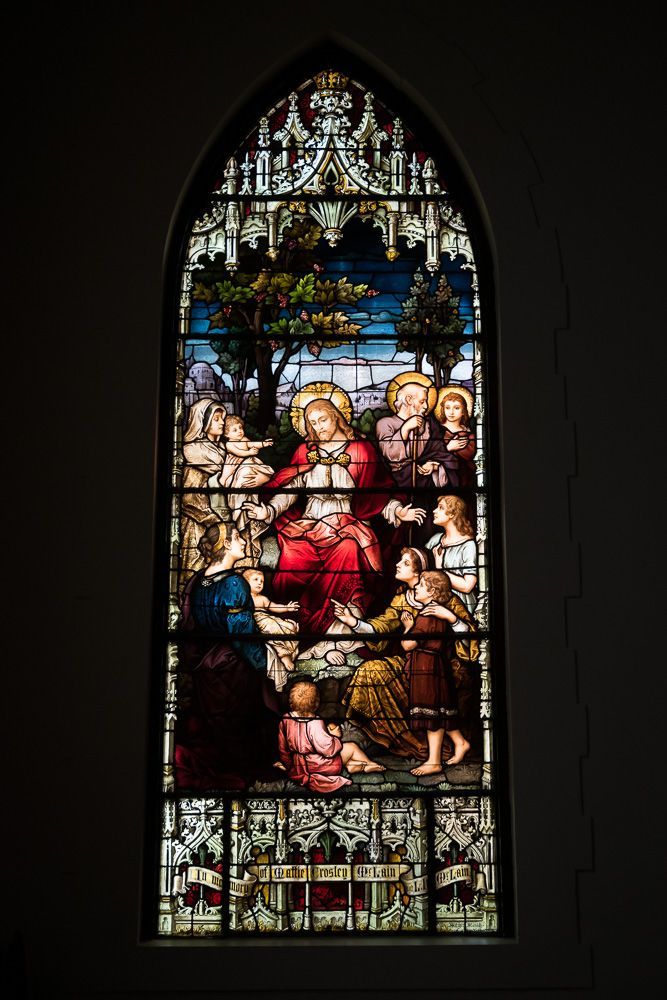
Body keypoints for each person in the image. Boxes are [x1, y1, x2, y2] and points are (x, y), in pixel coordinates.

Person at [242, 389, 425, 634]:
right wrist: (270, 510)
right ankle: (297, 625)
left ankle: (341, 629)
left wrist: (397, 510)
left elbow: (375, 493)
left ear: (336, 417)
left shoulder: (361, 450)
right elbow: (292, 487)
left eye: (323, 420)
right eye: (313, 423)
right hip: (309, 523)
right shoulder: (305, 452)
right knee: (291, 560)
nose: (318, 428)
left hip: (348, 523)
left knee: (348, 549)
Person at [336, 547, 476, 757]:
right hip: (413, 663)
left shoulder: (446, 600)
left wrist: (452, 618)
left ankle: (434, 749)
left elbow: (472, 641)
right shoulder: (401, 600)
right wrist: (353, 622)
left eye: (406, 563)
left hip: (443, 668)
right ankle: (399, 740)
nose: (398, 565)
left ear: (420, 574)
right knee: (370, 671)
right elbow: (381, 626)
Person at [175, 522, 279, 790]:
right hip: (233, 665)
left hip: (206, 666)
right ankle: (252, 771)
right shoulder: (234, 583)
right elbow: (241, 635)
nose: (244, 542)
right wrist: (265, 663)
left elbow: (191, 624)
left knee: (219, 727)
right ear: (225, 545)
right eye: (237, 538)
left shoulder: (198, 580)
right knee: (245, 720)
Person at [401, 570, 470, 775]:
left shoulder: (426, 616)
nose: (416, 587)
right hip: (437, 665)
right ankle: (461, 742)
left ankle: (434, 761)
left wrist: (407, 627)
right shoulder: (438, 613)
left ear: (432, 592)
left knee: (432, 714)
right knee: (441, 710)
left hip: (426, 668)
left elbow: (407, 645)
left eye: (421, 584)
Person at [277, 680, 385, 792]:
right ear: (315, 702)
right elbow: (328, 750)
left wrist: (290, 766)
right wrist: (335, 736)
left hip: (299, 767)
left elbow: (283, 749)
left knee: (346, 756)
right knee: (351, 747)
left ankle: (353, 766)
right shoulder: (314, 722)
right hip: (320, 766)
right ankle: (370, 764)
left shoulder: (286, 719)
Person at [376, 373, 459, 489]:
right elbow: (391, 455)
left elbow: (439, 453)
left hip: (427, 483)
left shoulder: (430, 425)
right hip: (397, 483)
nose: (426, 406)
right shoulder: (385, 423)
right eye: (422, 401)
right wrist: (405, 428)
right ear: (409, 400)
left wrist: (434, 465)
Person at [179, 398, 228, 588]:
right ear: (203, 421)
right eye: (217, 418)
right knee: (195, 571)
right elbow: (189, 497)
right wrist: (210, 520)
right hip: (197, 523)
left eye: (222, 418)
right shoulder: (192, 451)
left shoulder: (223, 450)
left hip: (220, 519)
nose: (222, 422)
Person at [219, 415, 274, 562]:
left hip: (247, 467)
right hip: (235, 472)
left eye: (240, 428)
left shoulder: (244, 440)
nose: (239, 431)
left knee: (250, 479)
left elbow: (253, 444)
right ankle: (238, 511)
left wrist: (263, 443)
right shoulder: (229, 445)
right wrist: (248, 453)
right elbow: (240, 453)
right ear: (226, 434)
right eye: (234, 430)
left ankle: (245, 511)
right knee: (238, 487)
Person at [242, 568, 299, 692]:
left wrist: (287, 608)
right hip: (256, 621)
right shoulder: (243, 598)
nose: (259, 583)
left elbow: (274, 607)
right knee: (272, 627)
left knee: (288, 627)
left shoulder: (262, 599)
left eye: (262, 581)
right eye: (255, 580)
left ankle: (288, 650)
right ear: (245, 583)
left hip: (267, 618)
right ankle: (283, 654)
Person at [426, 495, 478, 614]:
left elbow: (467, 586)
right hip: (433, 603)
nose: (434, 511)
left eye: (440, 508)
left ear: (452, 514)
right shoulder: (435, 540)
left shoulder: (468, 546)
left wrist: (441, 571)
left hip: (459, 606)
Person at [434, 386, 477, 488]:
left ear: (463, 411)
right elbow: (429, 453)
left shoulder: (470, 435)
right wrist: (448, 448)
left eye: (456, 408)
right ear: (443, 409)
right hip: (441, 479)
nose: (451, 412)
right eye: (447, 407)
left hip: (466, 479)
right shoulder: (436, 431)